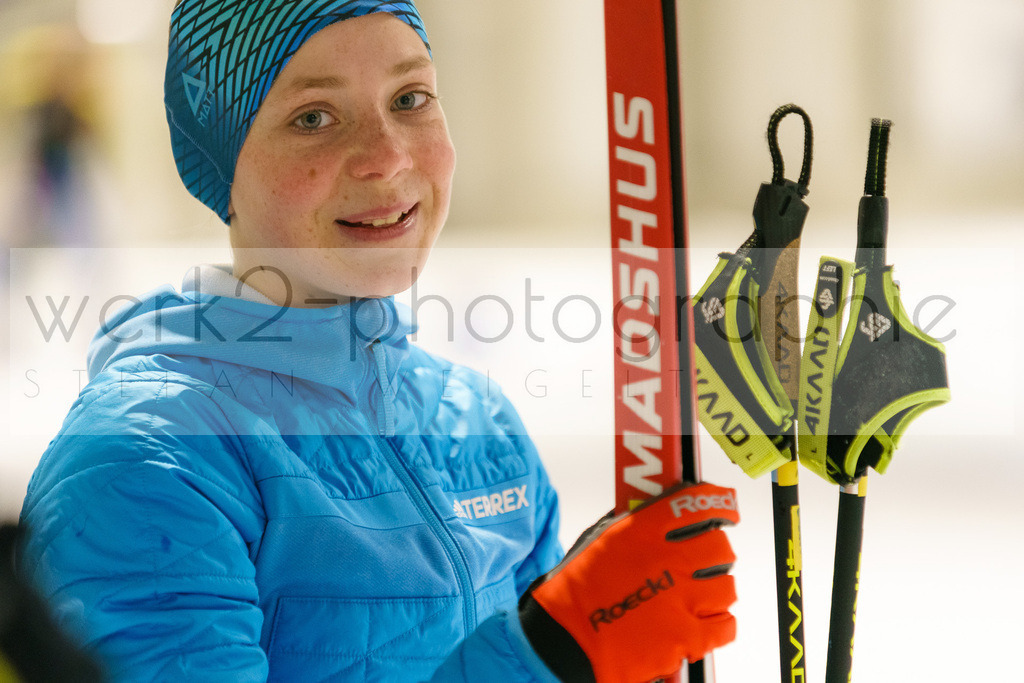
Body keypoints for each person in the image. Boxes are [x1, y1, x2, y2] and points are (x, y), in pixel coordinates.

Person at [17, 2, 740, 681]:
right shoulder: (149, 458)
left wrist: (607, 625)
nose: (387, 156)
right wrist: (557, 647)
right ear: (222, 160)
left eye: (410, 98)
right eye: (314, 117)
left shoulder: (476, 421)